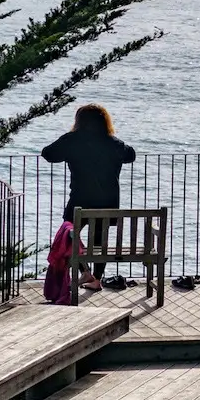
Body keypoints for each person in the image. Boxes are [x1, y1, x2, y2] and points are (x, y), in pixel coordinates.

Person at [42, 104, 136, 291]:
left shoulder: (72, 140)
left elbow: (48, 154)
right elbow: (131, 155)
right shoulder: (114, 143)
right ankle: (95, 280)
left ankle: (84, 271)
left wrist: (68, 149)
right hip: (107, 202)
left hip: (79, 200)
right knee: (99, 242)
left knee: (67, 236)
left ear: (79, 121)